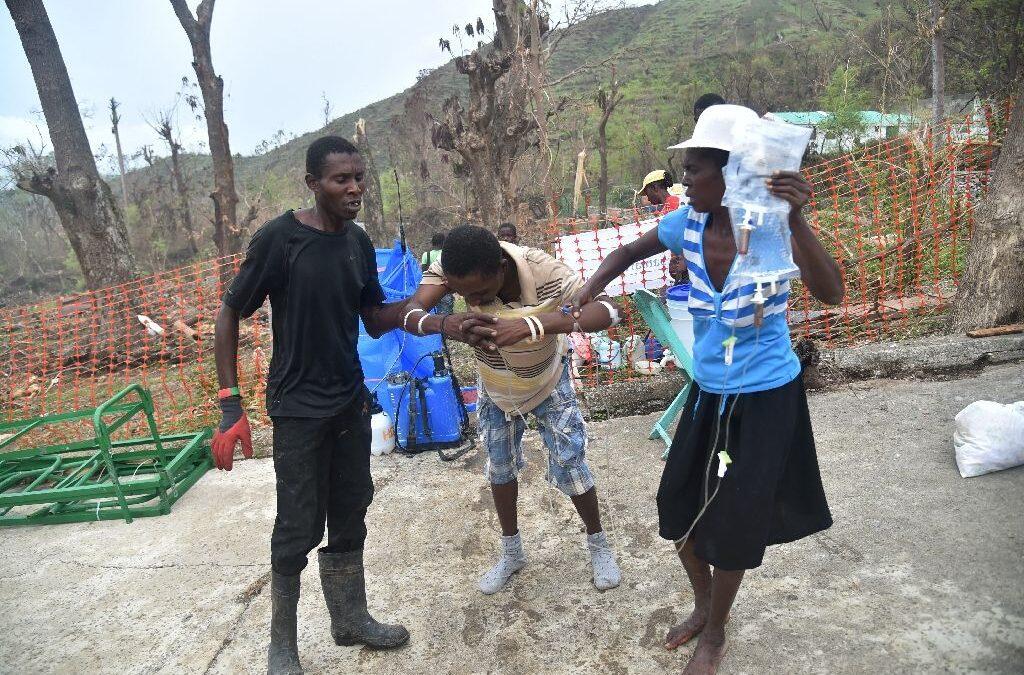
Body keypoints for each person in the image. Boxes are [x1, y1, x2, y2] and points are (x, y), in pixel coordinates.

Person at [571, 105, 844, 675]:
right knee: (677, 505)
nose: (683, 181)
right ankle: (703, 603)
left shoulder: (770, 229)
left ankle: (716, 633)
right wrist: (585, 292)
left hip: (769, 397)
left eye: (695, 170)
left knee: (737, 522)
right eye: (685, 170)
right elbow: (626, 252)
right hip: (709, 391)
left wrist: (797, 220)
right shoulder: (686, 224)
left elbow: (832, 293)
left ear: (733, 171)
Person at [213, 136, 410, 674]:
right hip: (298, 407)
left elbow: (373, 316)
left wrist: (432, 312)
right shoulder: (280, 239)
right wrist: (231, 405)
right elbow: (230, 313)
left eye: (359, 178)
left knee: (351, 510)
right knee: (297, 524)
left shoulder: (359, 243)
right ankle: (282, 646)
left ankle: (350, 620)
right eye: (340, 180)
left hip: (348, 399)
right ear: (312, 184)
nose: (354, 189)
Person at [386, 224, 622, 595]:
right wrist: (446, 323)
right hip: (495, 388)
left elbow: (608, 311)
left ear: (500, 267)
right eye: (465, 295)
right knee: (499, 469)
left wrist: (531, 325)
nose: (474, 302)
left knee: (571, 463)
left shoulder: (544, 270)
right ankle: (512, 553)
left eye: (480, 292)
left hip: (547, 381)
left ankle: (598, 545)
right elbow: (409, 313)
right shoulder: (453, 270)